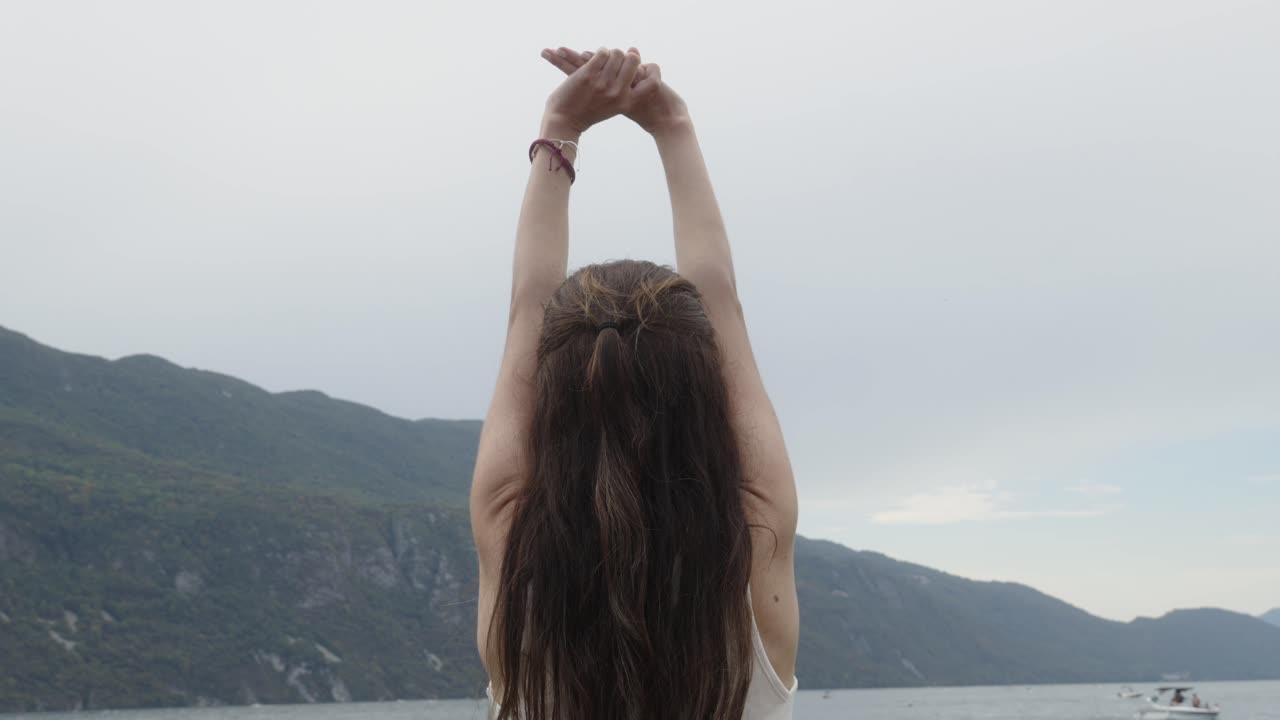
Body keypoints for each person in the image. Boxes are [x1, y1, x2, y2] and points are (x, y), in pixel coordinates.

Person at [470, 46, 799, 720]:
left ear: (551, 398)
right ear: (704, 394)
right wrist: (671, 125)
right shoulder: (756, 533)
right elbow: (722, 297)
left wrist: (560, 129)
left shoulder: (513, 553)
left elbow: (527, 305)